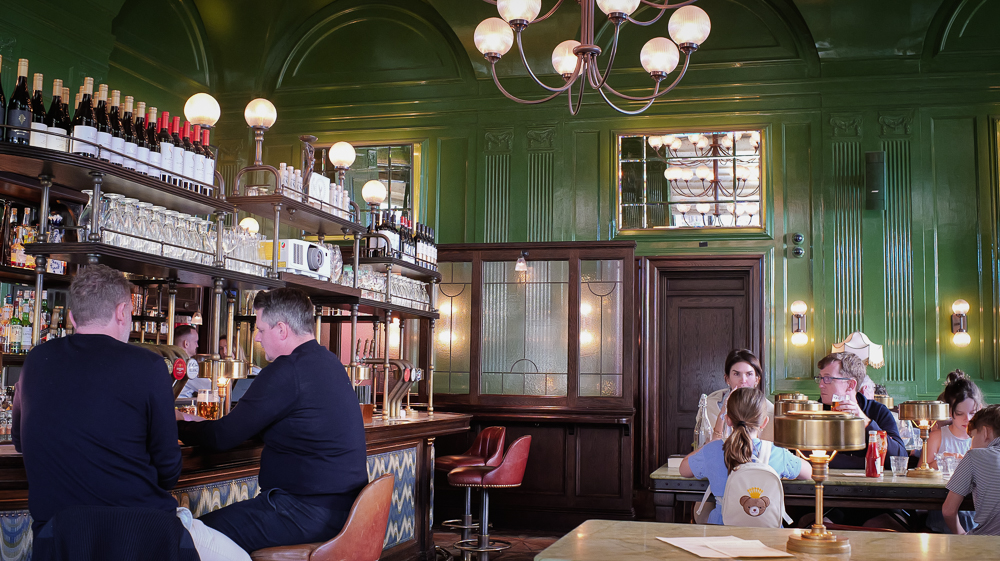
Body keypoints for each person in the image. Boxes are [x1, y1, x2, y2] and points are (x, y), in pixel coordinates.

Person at [11, 264, 246, 560]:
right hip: (143, 537)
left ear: (71, 317)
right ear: (122, 312)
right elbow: (168, 472)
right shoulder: (147, 366)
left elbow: (20, 441)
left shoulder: (36, 360)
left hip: (60, 542)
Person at [177, 287, 368, 553]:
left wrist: (175, 422)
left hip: (303, 512)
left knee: (188, 536)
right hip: (345, 513)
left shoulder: (286, 370)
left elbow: (221, 437)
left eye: (260, 329)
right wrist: (193, 420)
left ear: (281, 329)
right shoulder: (329, 361)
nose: (257, 337)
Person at [680, 387, 811, 525]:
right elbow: (808, 473)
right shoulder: (777, 452)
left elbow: (683, 470)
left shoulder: (713, 450)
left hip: (722, 532)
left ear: (728, 420)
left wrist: (711, 442)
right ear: (764, 422)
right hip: (767, 534)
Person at [815, 352, 906, 469]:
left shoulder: (878, 412)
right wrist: (868, 462)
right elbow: (803, 456)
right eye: (821, 378)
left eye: (828, 378)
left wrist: (866, 422)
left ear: (851, 385)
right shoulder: (815, 412)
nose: (821, 385)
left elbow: (899, 458)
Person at [943, 404, 1000, 535]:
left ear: (986, 432)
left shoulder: (975, 456)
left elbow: (948, 511)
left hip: (987, 542)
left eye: (972, 437)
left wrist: (962, 537)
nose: (971, 445)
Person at [706, 349, 775, 441]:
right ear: (727, 379)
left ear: (757, 379)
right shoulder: (709, 406)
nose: (743, 380)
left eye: (749, 374)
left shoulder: (771, 411)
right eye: (736, 374)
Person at [927, 370, 983, 469]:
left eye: (972, 413)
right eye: (959, 414)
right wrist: (941, 461)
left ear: (979, 409)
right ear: (949, 411)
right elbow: (921, 471)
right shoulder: (936, 438)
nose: (968, 419)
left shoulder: (985, 438)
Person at [176, 324, 211, 399]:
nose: (197, 345)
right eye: (196, 342)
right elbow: (211, 388)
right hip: (181, 404)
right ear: (186, 344)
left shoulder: (170, 360)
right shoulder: (188, 365)